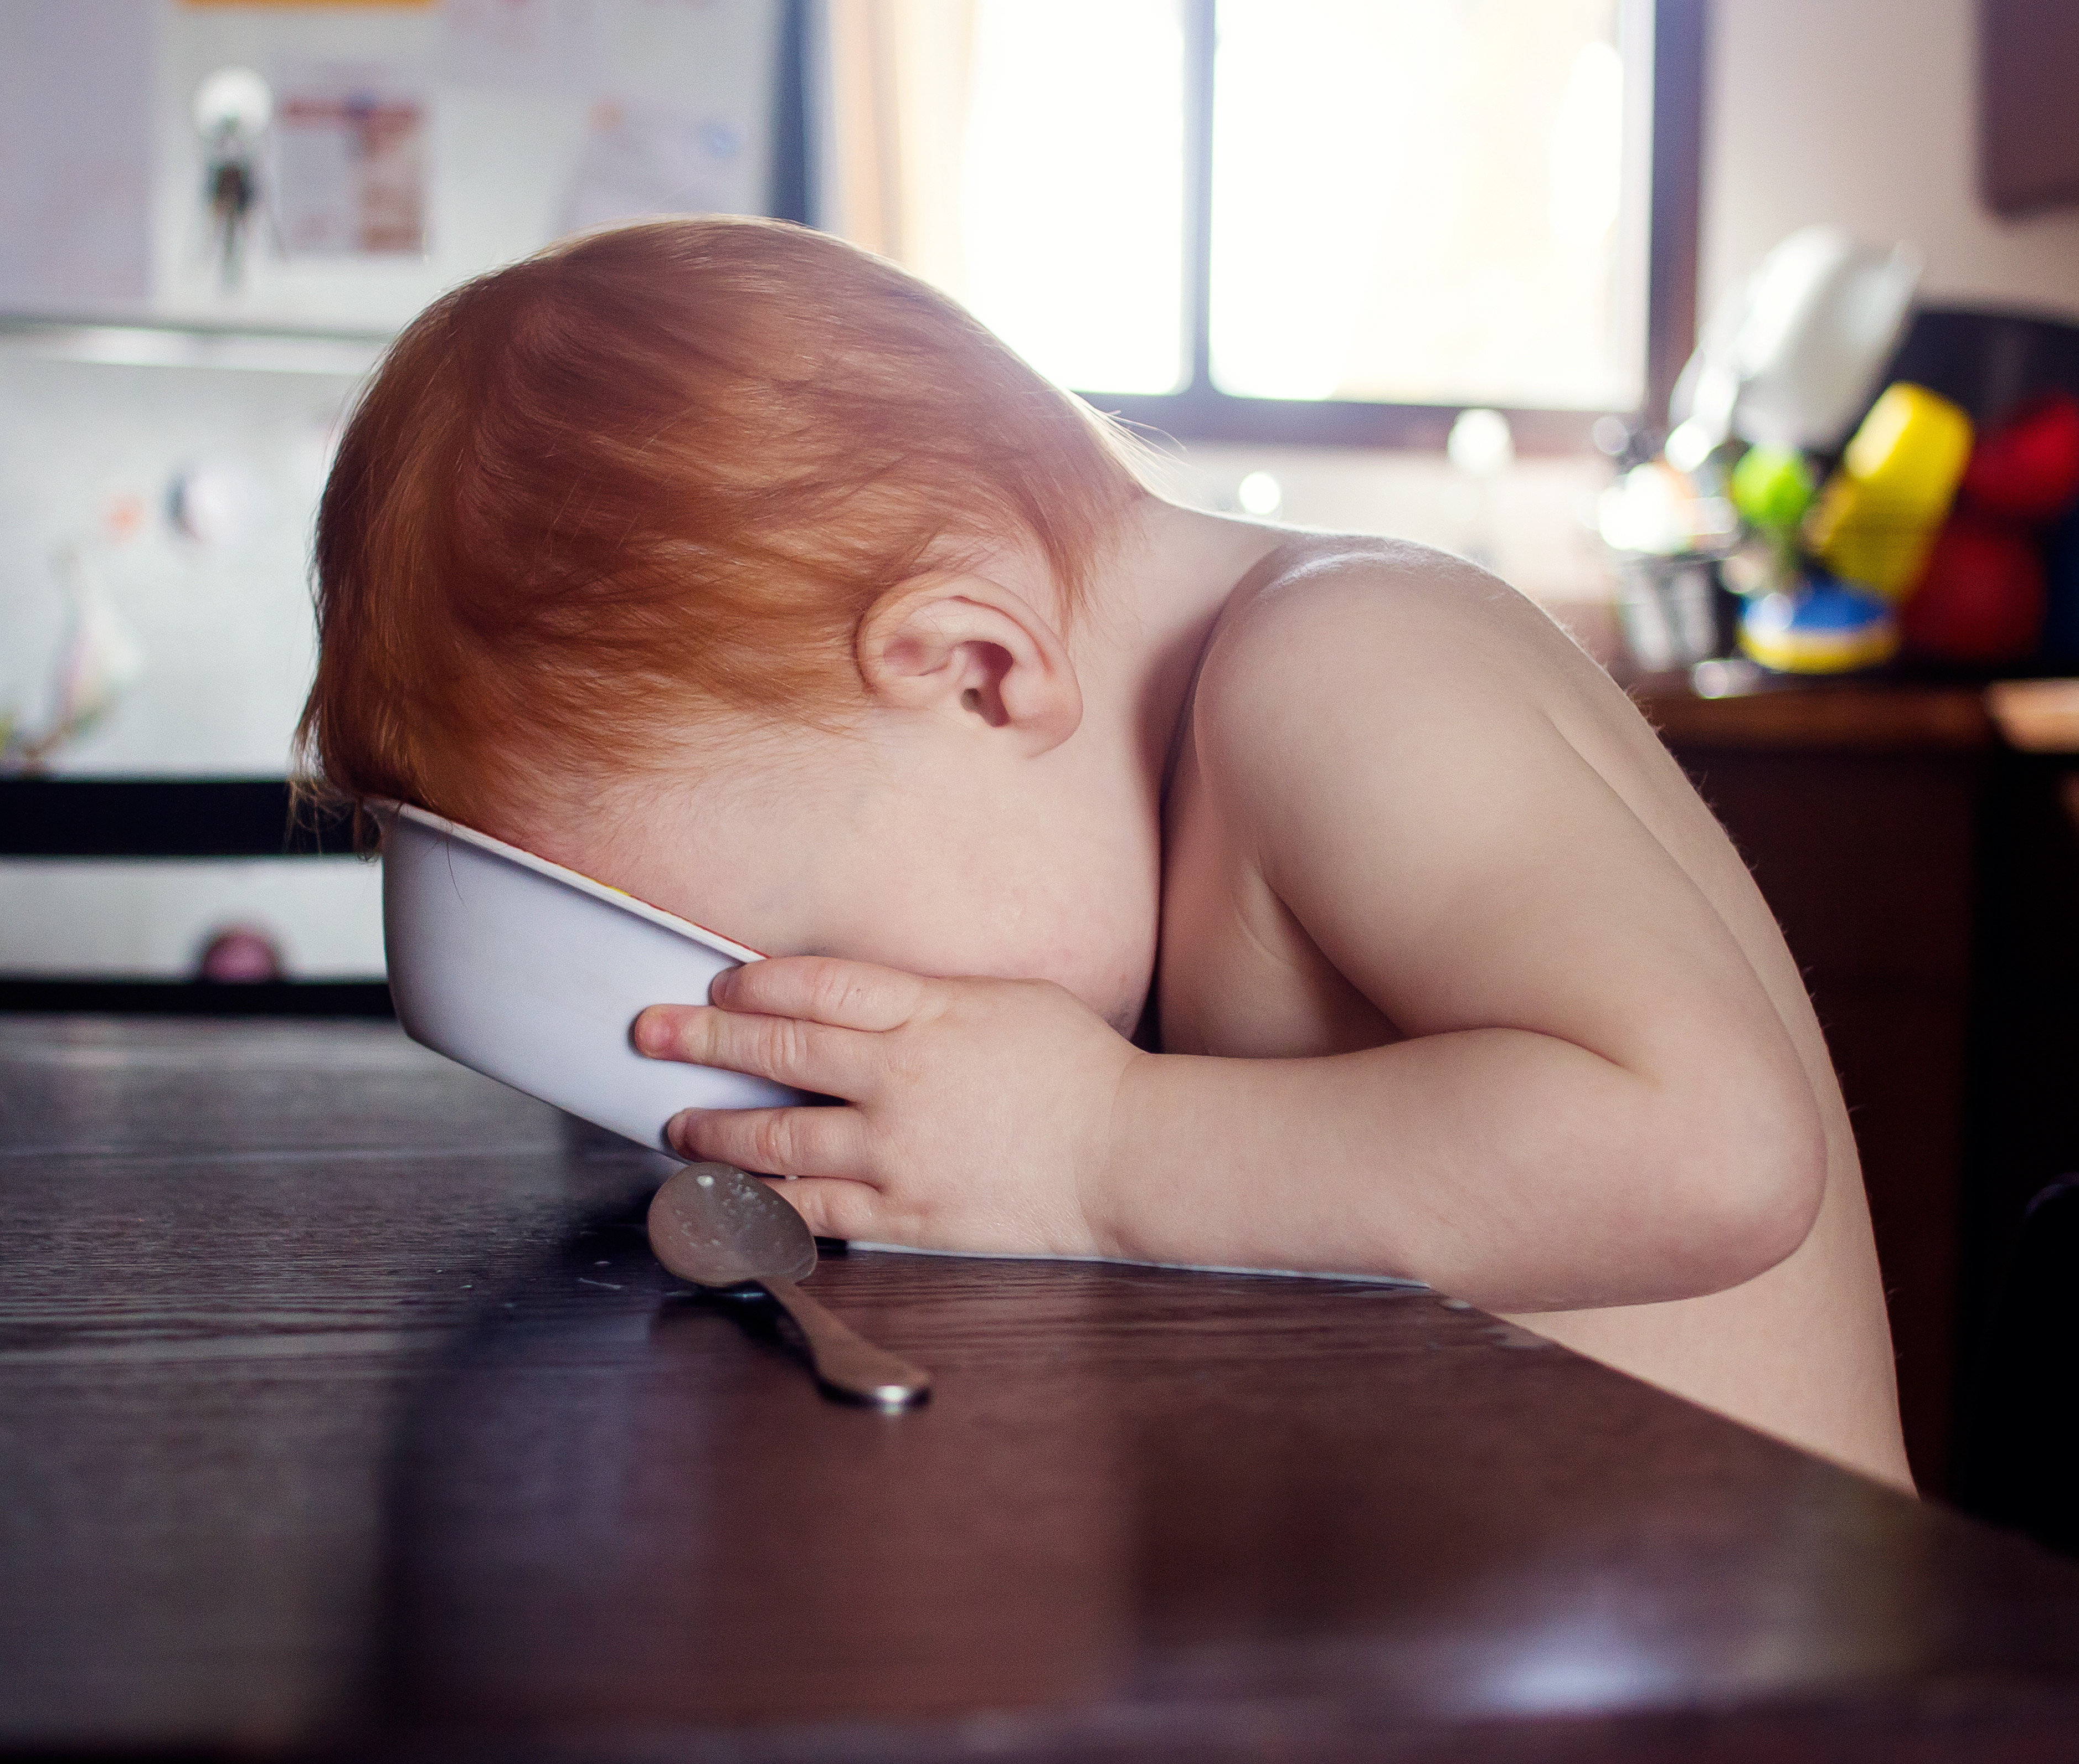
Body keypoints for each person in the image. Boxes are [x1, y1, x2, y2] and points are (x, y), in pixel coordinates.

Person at [300, 218, 1909, 1489]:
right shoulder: (1133, 811)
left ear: (975, 672)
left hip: (1748, 1682)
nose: (823, 1038)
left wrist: (1095, 1146)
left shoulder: (1344, 667)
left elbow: (1706, 1153)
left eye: (798, 962)